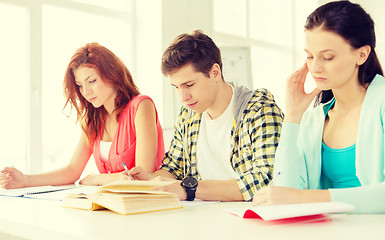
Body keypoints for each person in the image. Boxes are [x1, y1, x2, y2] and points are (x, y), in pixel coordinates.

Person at [253, 1, 385, 213]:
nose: (315, 67)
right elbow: (286, 192)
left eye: (328, 57)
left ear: (361, 55)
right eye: (310, 56)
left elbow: (297, 197)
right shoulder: (314, 119)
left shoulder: (381, 103)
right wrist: (293, 116)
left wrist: (306, 198)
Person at [129, 30, 283, 201]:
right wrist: (150, 179)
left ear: (215, 72)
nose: (183, 97)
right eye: (177, 87)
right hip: (202, 217)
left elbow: (265, 180)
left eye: (189, 84)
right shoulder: (189, 115)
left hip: (249, 218)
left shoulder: (259, 110)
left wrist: (189, 189)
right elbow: (174, 168)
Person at [0, 42, 165, 189]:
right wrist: (25, 180)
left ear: (112, 74)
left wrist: (97, 179)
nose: (86, 92)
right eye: (80, 85)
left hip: (144, 206)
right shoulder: (92, 120)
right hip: (110, 206)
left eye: (91, 81)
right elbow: (72, 171)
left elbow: (142, 176)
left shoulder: (141, 107)